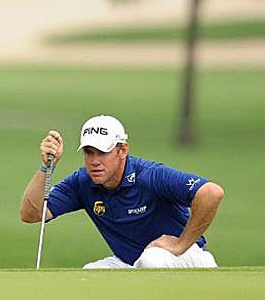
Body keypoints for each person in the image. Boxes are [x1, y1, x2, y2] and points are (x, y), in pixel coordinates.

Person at [20, 115, 224, 269]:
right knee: (87, 276)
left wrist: (180, 244)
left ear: (123, 150)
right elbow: (31, 214)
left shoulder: (150, 176)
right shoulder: (82, 182)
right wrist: (46, 168)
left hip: (188, 259)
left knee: (151, 259)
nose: (95, 161)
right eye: (89, 153)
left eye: (103, 152)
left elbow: (211, 193)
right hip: (131, 264)